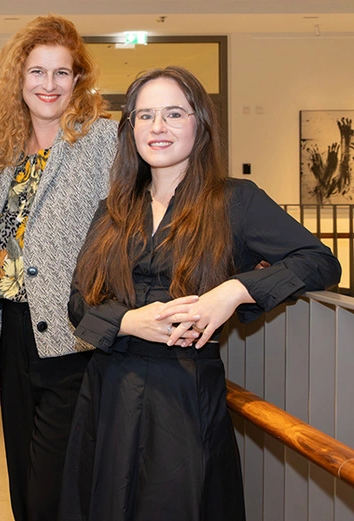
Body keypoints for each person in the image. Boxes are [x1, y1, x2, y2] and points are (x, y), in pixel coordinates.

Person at [62, 66, 342, 521]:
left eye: (174, 113)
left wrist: (234, 291)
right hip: (109, 390)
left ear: (200, 123)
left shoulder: (236, 200)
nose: (158, 127)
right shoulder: (112, 209)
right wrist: (129, 321)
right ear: (130, 129)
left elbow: (319, 261)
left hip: (186, 393)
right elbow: (79, 301)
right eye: (145, 115)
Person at [0, 15, 117, 521]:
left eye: (61, 73)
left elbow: (139, 221)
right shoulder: (5, 153)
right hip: (14, 338)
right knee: (23, 486)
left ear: (78, 80)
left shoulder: (102, 142)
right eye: (37, 72)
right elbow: (0, 255)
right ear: (19, 79)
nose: (48, 85)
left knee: (54, 491)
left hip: (74, 340)